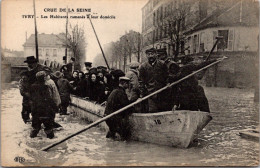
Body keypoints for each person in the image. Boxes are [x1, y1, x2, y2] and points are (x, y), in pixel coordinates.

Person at [138, 48, 171, 113]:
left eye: (152, 54)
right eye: (148, 54)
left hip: (162, 92)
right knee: (153, 111)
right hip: (151, 94)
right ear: (146, 55)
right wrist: (141, 94)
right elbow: (141, 81)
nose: (150, 56)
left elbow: (167, 76)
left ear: (156, 54)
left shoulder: (162, 64)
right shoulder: (143, 67)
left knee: (164, 111)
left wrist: (168, 83)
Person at [30, 71, 57, 139]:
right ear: (43, 78)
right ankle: (51, 143)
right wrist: (55, 107)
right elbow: (48, 98)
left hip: (36, 111)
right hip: (45, 111)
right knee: (49, 129)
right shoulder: (45, 87)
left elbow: (31, 99)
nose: (46, 78)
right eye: (45, 76)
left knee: (35, 128)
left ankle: (30, 143)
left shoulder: (32, 86)